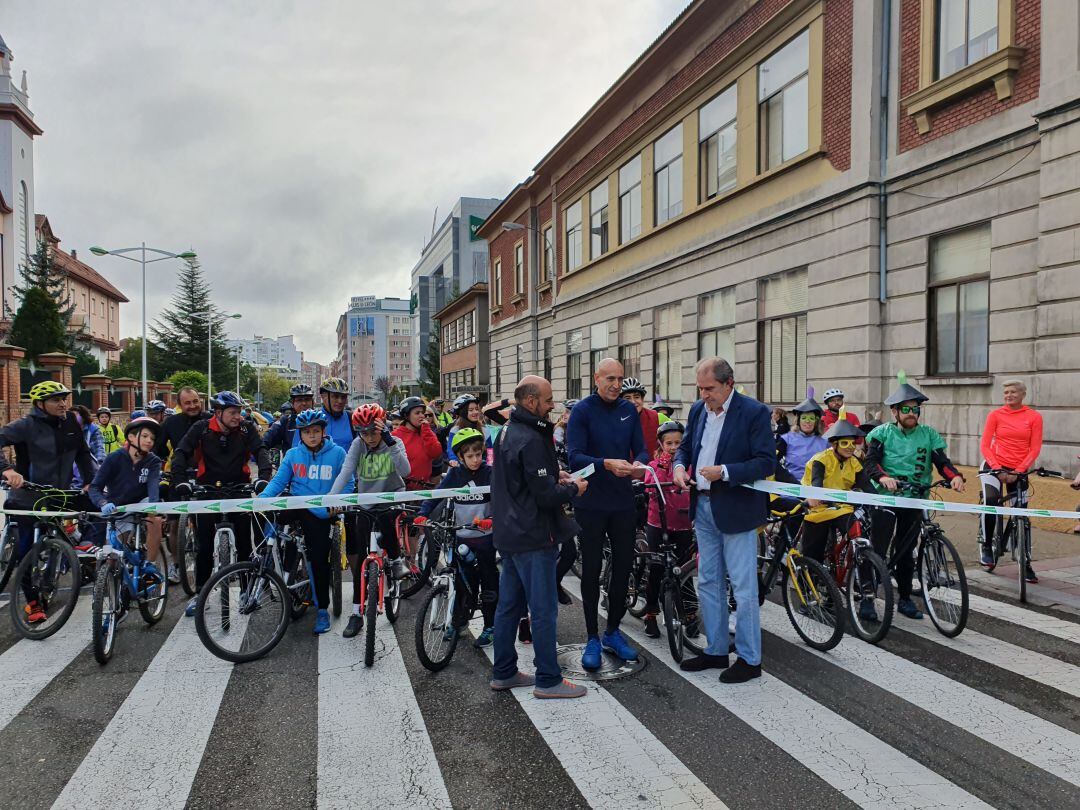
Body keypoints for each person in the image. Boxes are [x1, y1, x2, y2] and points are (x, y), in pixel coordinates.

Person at [673, 357, 774, 683]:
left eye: (710, 389)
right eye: (700, 388)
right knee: (708, 582)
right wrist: (678, 467)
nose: (704, 395)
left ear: (729, 383)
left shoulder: (754, 412)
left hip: (737, 509)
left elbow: (765, 461)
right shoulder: (699, 410)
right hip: (702, 505)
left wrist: (725, 472)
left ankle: (749, 658)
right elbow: (686, 447)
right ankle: (716, 649)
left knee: (743, 590)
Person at [490, 375, 587, 699]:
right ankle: (548, 679)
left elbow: (524, 479)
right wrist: (573, 487)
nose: (552, 405)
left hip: (510, 532)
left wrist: (553, 475)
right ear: (531, 402)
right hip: (533, 535)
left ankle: (503, 672)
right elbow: (545, 495)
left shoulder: (506, 431)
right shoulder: (531, 437)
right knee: (543, 610)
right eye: (547, 400)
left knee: (508, 607)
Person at [567, 357, 649, 670]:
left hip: (622, 502)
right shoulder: (583, 411)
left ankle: (612, 631)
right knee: (591, 570)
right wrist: (606, 464)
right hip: (590, 504)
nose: (616, 385)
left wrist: (639, 465)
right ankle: (590, 635)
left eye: (620, 379)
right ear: (596, 378)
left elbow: (641, 449)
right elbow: (575, 459)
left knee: (623, 567)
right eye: (610, 379)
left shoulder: (629, 410)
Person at [864, 373, 964, 620]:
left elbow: (942, 461)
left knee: (906, 550)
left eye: (915, 409)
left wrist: (954, 476)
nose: (912, 413)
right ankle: (867, 598)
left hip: (916, 496)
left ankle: (905, 598)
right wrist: (883, 478)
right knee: (878, 547)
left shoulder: (928, 434)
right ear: (895, 412)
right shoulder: (881, 433)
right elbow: (871, 462)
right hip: (886, 497)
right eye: (906, 409)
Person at [0, 381, 97, 623]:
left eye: (64, 398)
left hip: (58, 496)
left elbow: (84, 454)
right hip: (27, 498)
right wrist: (8, 470)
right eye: (56, 399)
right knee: (25, 552)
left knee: (68, 533)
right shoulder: (26, 425)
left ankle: (64, 569)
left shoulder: (72, 423)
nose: (63, 403)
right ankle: (32, 603)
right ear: (40, 404)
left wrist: (90, 481)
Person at [170, 390, 272, 617]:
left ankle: (246, 591)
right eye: (233, 413)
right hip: (208, 492)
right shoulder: (202, 428)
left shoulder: (247, 428)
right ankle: (201, 594)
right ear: (218, 412)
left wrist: (263, 477)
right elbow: (181, 451)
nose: (238, 417)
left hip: (239, 489)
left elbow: (261, 451)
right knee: (204, 546)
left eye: (240, 412)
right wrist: (180, 482)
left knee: (246, 544)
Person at [259, 408, 346, 635]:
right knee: (266, 512)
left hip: (320, 512)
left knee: (318, 561)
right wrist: (261, 501)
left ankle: (322, 611)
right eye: (307, 432)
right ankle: (266, 553)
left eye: (316, 431)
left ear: (323, 431)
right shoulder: (293, 455)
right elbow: (278, 482)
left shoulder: (337, 454)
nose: (312, 435)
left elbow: (347, 482)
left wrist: (338, 503)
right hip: (296, 503)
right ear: (300, 434)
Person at [329, 403, 411, 639]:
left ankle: (395, 560)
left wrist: (389, 440)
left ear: (381, 426)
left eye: (373, 431)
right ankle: (356, 613)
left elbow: (405, 471)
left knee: (387, 519)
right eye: (363, 432)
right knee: (362, 561)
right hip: (365, 502)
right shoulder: (358, 445)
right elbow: (345, 471)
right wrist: (332, 498)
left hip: (391, 499)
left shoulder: (394, 442)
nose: (369, 437)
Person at [415, 428, 498, 647]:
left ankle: (490, 626)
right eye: (470, 456)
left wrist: (492, 520)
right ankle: (457, 622)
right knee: (462, 582)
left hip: (485, 538)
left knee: (489, 583)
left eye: (478, 454)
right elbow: (437, 495)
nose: (475, 460)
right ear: (460, 457)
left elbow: (502, 501)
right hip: (462, 535)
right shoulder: (455, 475)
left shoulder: (490, 473)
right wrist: (423, 513)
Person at [978, 379, 1043, 578]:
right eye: (1006, 392)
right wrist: (998, 469)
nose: (1009, 395)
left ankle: (1025, 561)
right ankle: (987, 546)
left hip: (1019, 469)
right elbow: (985, 446)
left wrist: (1019, 470)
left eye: (1013, 392)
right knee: (991, 501)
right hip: (993, 466)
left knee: (1021, 513)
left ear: (1023, 394)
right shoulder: (995, 415)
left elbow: (1035, 448)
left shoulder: (1033, 417)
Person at [88, 416, 166, 582]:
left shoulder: (153, 461)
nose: (149, 441)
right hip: (118, 506)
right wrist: (103, 503)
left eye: (152, 438)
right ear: (131, 437)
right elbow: (95, 488)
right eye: (145, 436)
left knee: (155, 519)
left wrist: (153, 505)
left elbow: (153, 486)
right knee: (114, 555)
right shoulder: (114, 458)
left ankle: (150, 564)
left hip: (142, 502)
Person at [641, 420, 697, 639]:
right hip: (659, 524)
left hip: (683, 524)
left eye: (678, 443)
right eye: (669, 443)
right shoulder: (655, 465)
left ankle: (690, 613)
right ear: (661, 444)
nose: (673, 447)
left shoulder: (688, 465)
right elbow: (648, 482)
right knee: (656, 569)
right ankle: (651, 614)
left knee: (684, 569)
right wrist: (663, 469)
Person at [393, 396, 443, 487]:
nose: (422, 416)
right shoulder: (395, 436)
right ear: (406, 416)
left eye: (422, 413)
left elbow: (436, 452)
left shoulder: (427, 432)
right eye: (417, 413)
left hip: (424, 490)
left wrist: (426, 430)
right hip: (402, 491)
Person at [777, 394, 827, 482]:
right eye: (804, 418)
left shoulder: (826, 442)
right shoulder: (786, 439)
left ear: (816, 422)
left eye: (811, 418)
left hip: (816, 488)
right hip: (791, 488)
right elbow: (772, 460)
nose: (807, 421)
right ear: (798, 421)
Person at [263, 383, 317, 454]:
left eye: (307, 399)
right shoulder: (286, 421)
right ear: (292, 402)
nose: (304, 403)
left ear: (312, 402)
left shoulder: (320, 420)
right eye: (299, 400)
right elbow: (266, 440)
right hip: (290, 464)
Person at [621, 377, 662, 457]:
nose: (633, 402)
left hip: (650, 468)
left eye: (636, 397)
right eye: (627, 398)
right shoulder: (613, 419)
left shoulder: (656, 417)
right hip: (623, 468)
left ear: (642, 399)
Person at [318, 377, 356, 449]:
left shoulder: (352, 418)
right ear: (323, 397)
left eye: (343, 397)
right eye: (335, 396)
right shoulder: (313, 419)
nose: (340, 401)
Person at [446, 394, 483, 466]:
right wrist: (453, 459)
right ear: (463, 412)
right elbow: (451, 449)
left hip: (481, 469)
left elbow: (490, 450)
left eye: (476, 409)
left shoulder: (484, 429)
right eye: (471, 410)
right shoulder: (455, 430)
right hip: (460, 468)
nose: (475, 412)